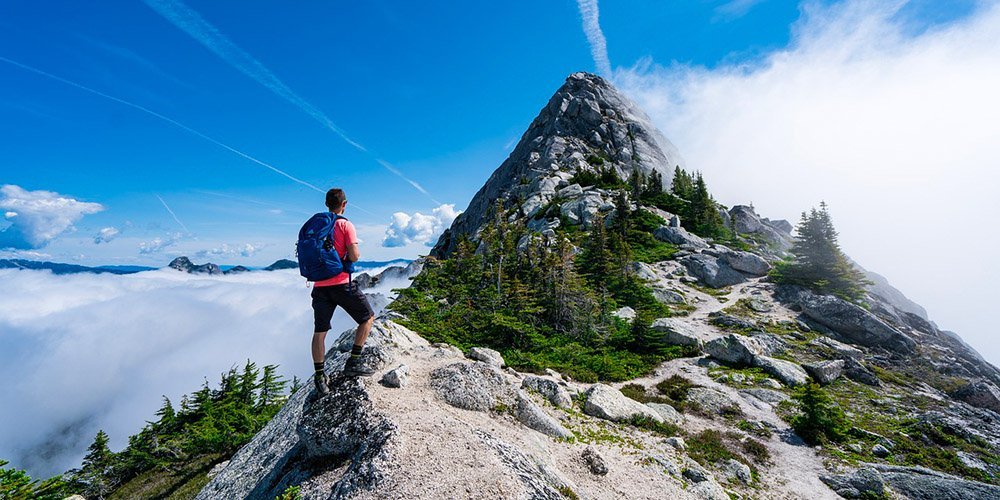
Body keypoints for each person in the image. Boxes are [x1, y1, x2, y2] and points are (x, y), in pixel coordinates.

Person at [311, 188, 375, 395]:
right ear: (344, 204)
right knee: (367, 318)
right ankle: (353, 362)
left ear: (327, 204)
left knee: (319, 333)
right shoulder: (345, 225)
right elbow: (354, 256)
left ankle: (320, 377)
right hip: (341, 284)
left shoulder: (317, 226)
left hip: (320, 286)